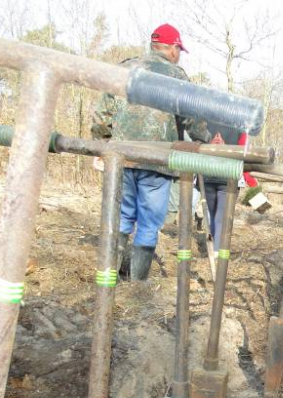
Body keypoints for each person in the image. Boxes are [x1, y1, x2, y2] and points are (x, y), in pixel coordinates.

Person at [91, 23, 211, 280]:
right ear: (173, 48)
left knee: (122, 216)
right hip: (157, 161)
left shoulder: (125, 68)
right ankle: (135, 284)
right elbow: (192, 117)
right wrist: (207, 141)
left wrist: (101, 146)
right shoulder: (176, 76)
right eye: (179, 50)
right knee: (148, 223)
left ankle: (109, 276)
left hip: (122, 157)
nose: (179, 55)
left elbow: (102, 114)